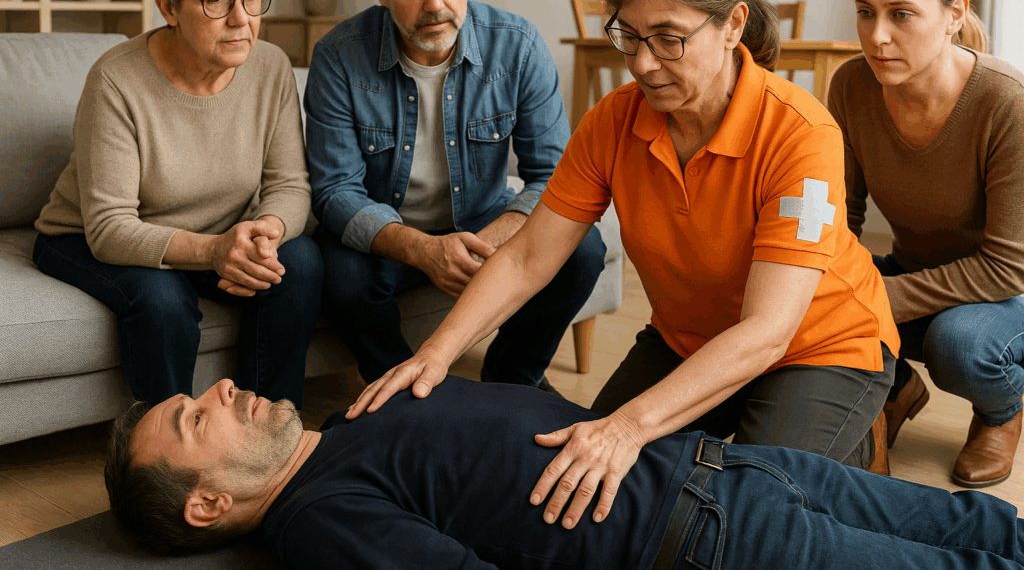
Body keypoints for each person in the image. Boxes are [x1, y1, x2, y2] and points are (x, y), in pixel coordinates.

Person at [349, 0, 901, 529]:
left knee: (747, 513)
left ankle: (859, 436)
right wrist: (435, 354)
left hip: (817, 347)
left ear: (732, 25)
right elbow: (528, 258)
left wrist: (630, 426)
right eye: (629, 36)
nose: (641, 63)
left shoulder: (802, 134)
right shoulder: (614, 121)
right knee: (584, 486)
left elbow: (769, 331)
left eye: (668, 39)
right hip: (689, 339)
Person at [105, 376, 1024, 569]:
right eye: (195, 418)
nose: (218, 387)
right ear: (209, 503)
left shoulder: (350, 421)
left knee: (983, 525)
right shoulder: (318, 518)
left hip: (721, 461)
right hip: (707, 538)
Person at [303, 0, 606, 390]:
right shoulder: (338, 56)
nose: (435, 3)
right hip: (390, 240)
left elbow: (555, 175)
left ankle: (512, 378)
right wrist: (424, 250)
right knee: (337, 270)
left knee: (583, 247)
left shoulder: (518, 45)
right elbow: (336, 191)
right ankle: (402, 387)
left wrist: (490, 241)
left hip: (484, 226)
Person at [32, 0, 323, 408]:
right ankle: (170, 444)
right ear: (167, 6)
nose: (242, 19)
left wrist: (265, 233)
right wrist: (213, 251)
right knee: (162, 298)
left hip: (220, 233)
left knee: (297, 261)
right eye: (216, 0)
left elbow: (289, 184)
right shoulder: (116, 80)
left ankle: (266, 429)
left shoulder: (270, 66)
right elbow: (109, 228)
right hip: (87, 237)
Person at [828, 0, 1024, 489]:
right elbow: (841, 221)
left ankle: (1003, 410)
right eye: (865, 12)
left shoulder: (1006, 103)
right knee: (806, 290)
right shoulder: (851, 86)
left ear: (954, 13)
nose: (877, 36)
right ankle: (896, 388)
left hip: (1006, 297)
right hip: (917, 274)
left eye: (901, 14)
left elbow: (1007, 268)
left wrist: (876, 298)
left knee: (957, 343)